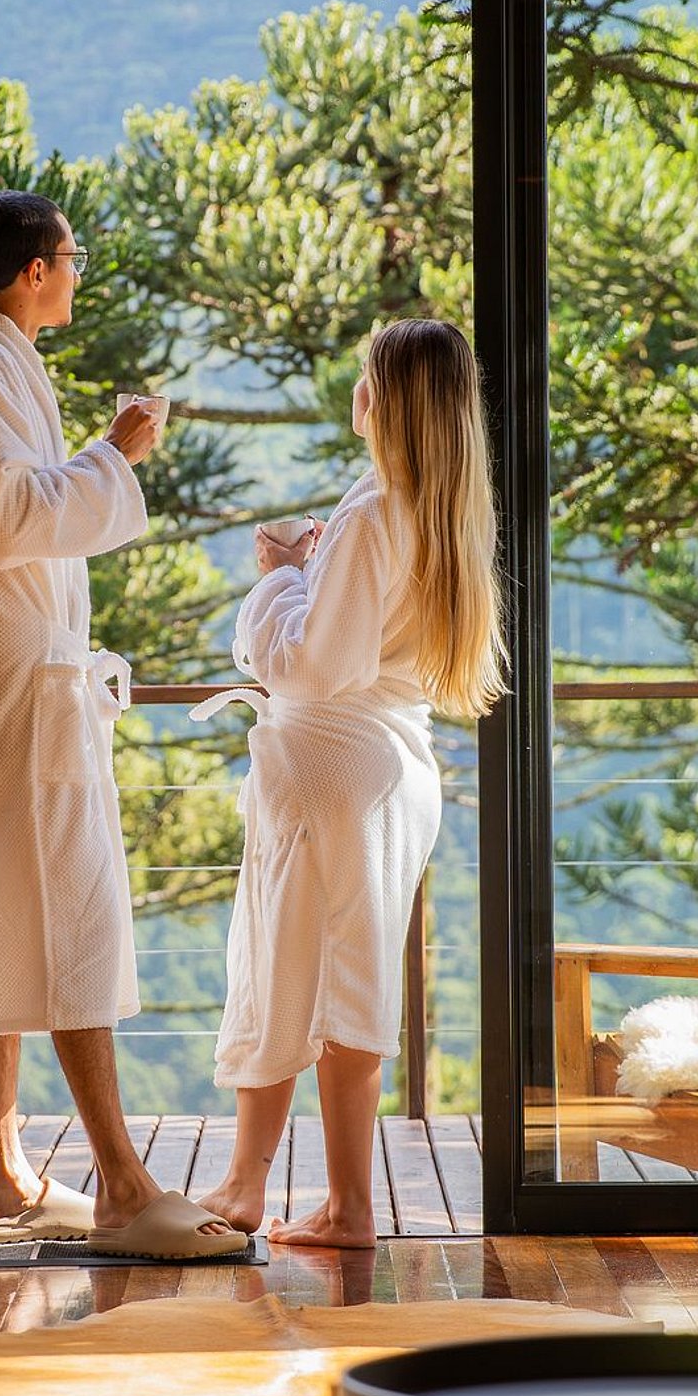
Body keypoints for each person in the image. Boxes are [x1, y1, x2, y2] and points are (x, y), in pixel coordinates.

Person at [0, 189, 249, 1257]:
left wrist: (98, 457)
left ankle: (0, 1178)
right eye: (72, 256)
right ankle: (120, 1185)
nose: (78, 271)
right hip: (19, 688)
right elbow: (6, 521)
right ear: (35, 271)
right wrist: (114, 456)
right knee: (69, 915)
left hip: (9, 680)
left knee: (7, 912)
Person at [198, 319, 506, 1249]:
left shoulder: (374, 512)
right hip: (396, 772)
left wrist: (282, 577)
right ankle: (338, 1204)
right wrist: (317, 573)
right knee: (351, 986)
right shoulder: (447, 508)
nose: (357, 392)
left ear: (386, 399)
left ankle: (268, 1192)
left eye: (367, 376)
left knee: (284, 973)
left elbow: (313, 667)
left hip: (329, 775)